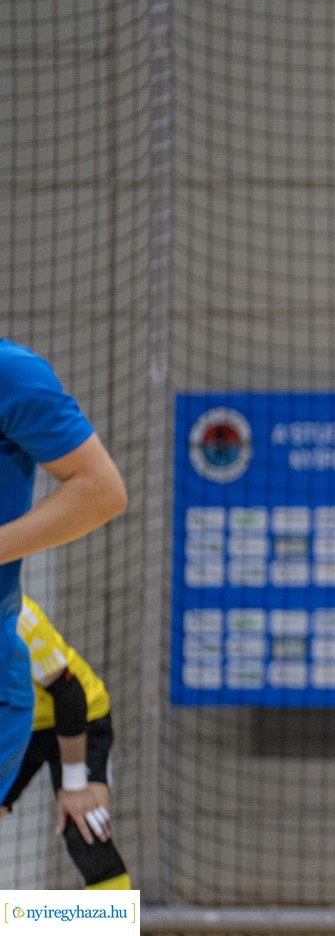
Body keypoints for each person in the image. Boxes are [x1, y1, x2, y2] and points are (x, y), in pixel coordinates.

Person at [0, 339, 126, 797]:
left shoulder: (11, 373)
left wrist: (78, 783)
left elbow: (101, 492)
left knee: (87, 836)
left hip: (64, 714)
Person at [0, 595, 130, 890]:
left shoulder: (18, 618)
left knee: (84, 829)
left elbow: (69, 694)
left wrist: (74, 786)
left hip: (77, 716)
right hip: (19, 726)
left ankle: (110, 923)